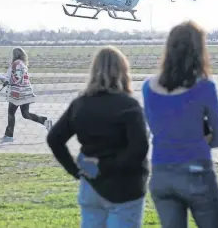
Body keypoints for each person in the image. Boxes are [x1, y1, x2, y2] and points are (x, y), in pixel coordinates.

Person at [47, 46, 149, 228]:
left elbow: (54, 138)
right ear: (123, 72)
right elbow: (139, 148)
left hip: (91, 183)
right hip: (124, 187)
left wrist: (74, 169)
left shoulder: (80, 104)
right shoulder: (128, 106)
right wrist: (109, 166)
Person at [142, 20, 218, 228]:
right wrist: (202, 133)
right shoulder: (204, 87)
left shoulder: (148, 87)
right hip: (196, 171)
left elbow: (157, 127)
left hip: (162, 173)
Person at [1, 47, 52, 142]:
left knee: (11, 113)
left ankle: (9, 136)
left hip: (17, 94)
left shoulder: (16, 64)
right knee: (25, 114)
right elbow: (17, 76)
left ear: (15, 55)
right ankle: (45, 121)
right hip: (25, 92)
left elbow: (17, 78)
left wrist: (6, 81)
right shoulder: (23, 64)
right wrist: (7, 79)